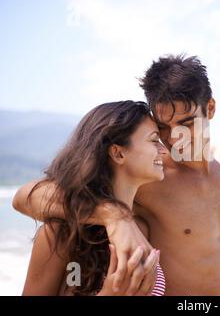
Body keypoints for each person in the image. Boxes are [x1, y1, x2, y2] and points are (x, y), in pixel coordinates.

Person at [14, 55, 220, 295]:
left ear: (211, 108)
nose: (173, 138)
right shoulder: (150, 179)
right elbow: (27, 197)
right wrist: (114, 215)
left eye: (186, 124)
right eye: (162, 127)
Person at [20, 101, 165, 295]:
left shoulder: (142, 228)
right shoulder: (61, 235)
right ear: (118, 153)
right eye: (154, 140)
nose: (164, 150)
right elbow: (23, 196)